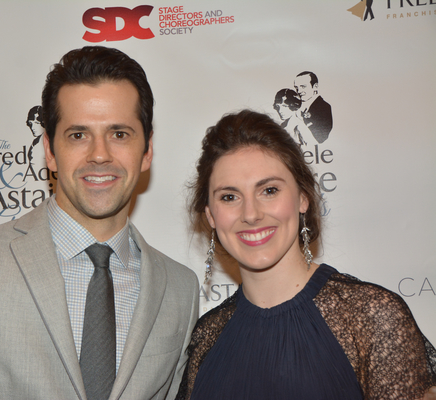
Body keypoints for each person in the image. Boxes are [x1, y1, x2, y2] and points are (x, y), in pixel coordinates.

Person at [0, 46, 199, 400]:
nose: (99, 154)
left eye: (119, 134)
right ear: (50, 151)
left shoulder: (179, 290)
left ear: (148, 151)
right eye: (78, 135)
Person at [177, 110, 436, 399]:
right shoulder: (207, 335)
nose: (250, 214)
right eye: (229, 197)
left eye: (269, 190)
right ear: (211, 216)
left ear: (303, 198)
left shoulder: (371, 316)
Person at [294, 71, 333, 143]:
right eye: (296, 88)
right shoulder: (300, 107)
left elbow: (320, 139)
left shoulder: (324, 107)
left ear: (315, 86)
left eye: (303, 87)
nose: (299, 91)